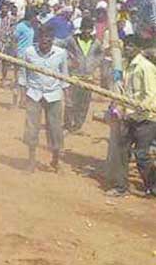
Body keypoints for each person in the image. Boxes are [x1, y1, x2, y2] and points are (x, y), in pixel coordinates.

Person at [106, 39, 156, 197]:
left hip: (146, 118)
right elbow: (124, 90)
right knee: (121, 150)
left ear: (139, 48)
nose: (128, 48)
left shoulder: (145, 67)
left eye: (131, 45)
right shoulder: (125, 65)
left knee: (141, 155)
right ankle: (121, 186)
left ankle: (152, 185)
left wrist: (139, 107)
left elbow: (151, 93)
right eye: (126, 45)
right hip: (129, 115)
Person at [19, 27, 69, 173]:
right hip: (34, 94)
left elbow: (64, 76)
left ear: (53, 39)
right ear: (38, 38)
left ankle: (56, 160)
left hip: (53, 94)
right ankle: (31, 161)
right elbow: (23, 74)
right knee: (31, 128)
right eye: (43, 37)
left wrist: (68, 96)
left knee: (55, 129)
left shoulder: (60, 53)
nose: (45, 40)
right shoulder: (29, 52)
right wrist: (22, 96)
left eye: (49, 38)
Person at [64, 18, 103, 132]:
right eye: (85, 29)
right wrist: (69, 61)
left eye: (89, 29)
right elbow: (60, 46)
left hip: (88, 78)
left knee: (84, 103)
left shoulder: (96, 42)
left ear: (92, 30)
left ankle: (78, 124)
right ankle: (68, 123)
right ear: (81, 29)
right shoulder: (72, 40)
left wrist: (95, 63)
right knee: (71, 101)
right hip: (74, 76)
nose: (87, 31)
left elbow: (101, 54)